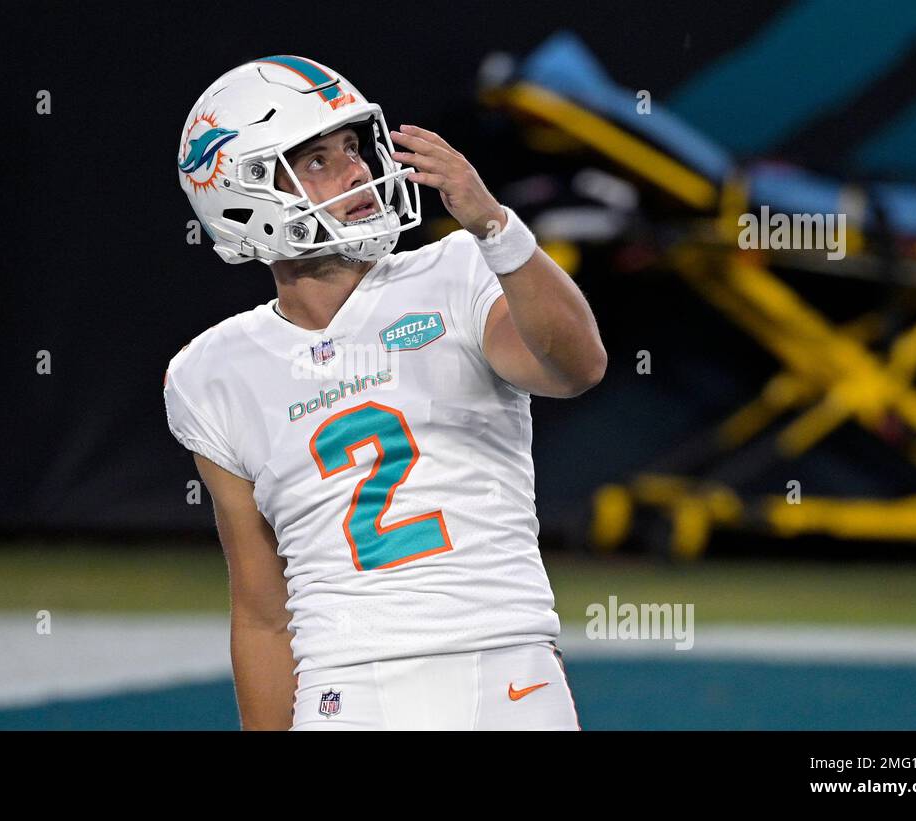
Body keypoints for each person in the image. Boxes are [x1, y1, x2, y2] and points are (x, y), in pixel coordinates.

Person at [165, 55, 606, 730]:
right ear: (244, 196)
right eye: (316, 160)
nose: (358, 170)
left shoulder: (459, 269)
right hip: (345, 688)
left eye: (351, 148)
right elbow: (260, 611)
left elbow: (578, 366)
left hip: (504, 665)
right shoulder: (210, 373)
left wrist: (496, 228)